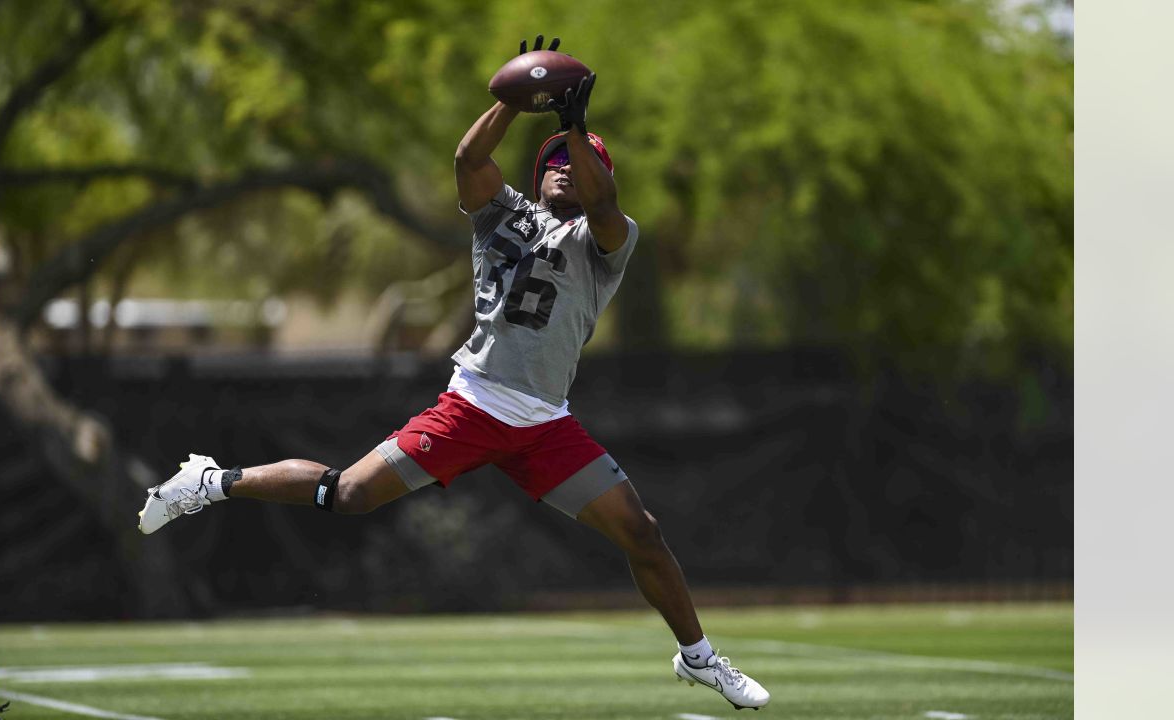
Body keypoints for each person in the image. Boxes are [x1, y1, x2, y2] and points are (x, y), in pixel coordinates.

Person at [137, 35, 770, 711]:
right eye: (552, 163)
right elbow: (469, 158)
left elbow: (606, 204)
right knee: (349, 494)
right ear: (536, 175)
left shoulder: (604, 241)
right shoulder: (503, 214)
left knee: (641, 531)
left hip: (544, 423)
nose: (562, 169)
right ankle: (212, 481)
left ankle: (699, 657)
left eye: (576, 165)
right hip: (474, 404)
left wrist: (572, 127)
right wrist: (510, 100)